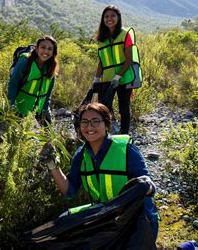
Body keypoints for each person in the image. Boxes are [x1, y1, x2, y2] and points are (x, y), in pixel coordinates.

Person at [41, 102, 159, 239]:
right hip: (104, 215)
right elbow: (69, 191)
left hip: (135, 217)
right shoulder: (81, 155)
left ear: (106, 124)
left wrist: (147, 185)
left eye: (95, 121)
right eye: (84, 122)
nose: (89, 127)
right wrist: (52, 165)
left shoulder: (125, 149)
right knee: (64, 220)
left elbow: (148, 185)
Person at [91, 5, 141, 134]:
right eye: (106, 16)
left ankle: (124, 135)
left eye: (113, 16)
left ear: (118, 18)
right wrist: (96, 78)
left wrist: (118, 76)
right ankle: (108, 132)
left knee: (124, 109)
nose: (109, 19)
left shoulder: (125, 35)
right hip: (107, 79)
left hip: (124, 78)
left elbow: (129, 59)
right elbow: (102, 61)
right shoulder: (101, 38)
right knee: (104, 107)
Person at [7, 36, 59, 125]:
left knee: (48, 135)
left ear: (53, 52)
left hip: (38, 108)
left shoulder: (51, 67)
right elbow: (13, 84)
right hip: (19, 107)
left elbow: (48, 92)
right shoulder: (25, 62)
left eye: (50, 49)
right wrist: (10, 105)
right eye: (43, 47)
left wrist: (45, 110)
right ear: (36, 48)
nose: (46, 51)